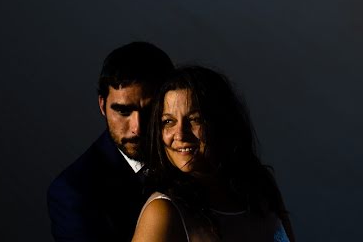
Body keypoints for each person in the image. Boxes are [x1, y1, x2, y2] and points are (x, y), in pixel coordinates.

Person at [132, 66, 296, 242]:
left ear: (223, 122)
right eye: (168, 121)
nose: (180, 134)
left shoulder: (261, 188)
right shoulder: (163, 211)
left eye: (195, 119)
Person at [48, 42, 174, 241]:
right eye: (123, 111)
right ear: (102, 105)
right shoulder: (74, 193)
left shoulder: (193, 159)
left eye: (150, 111)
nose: (137, 128)